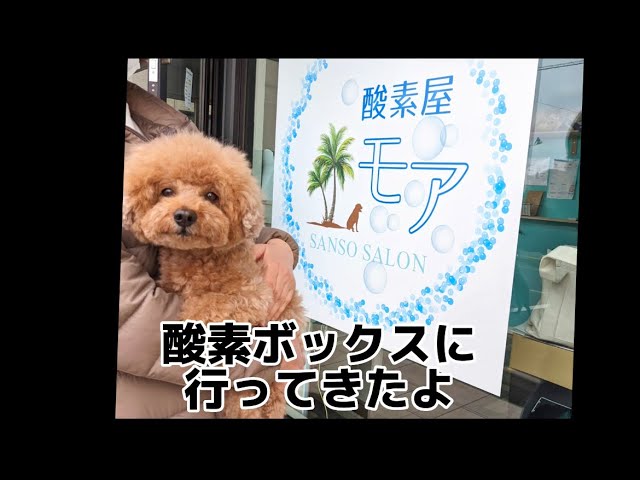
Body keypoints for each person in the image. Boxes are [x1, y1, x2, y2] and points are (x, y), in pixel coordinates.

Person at [117, 59, 302, 418]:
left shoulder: (159, 120)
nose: (185, 210)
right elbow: (133, 324)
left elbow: (237, 224)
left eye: (209, 196)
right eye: (167, 192)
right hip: (150, 399)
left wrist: (279, 247)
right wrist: (275, 355)